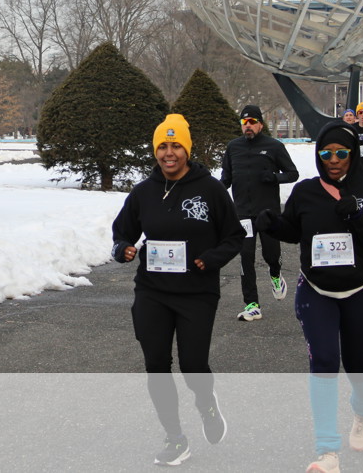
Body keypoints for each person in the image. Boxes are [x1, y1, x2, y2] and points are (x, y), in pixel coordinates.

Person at [255, 121, 363, 473]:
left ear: (353, 155)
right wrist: (273, 223)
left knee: (357, 366)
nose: (333, 160)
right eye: (326, 153)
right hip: (316, 291)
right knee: (323, 362)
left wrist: (357, 215)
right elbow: (294, 230)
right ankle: (327, 452)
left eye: (341, 153)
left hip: (360, 291)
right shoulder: (306, 191)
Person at [112, 113, 245, 466]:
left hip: (196, 293)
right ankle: (175, 438)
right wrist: (123, 249)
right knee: (156, 364)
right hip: (152, 291)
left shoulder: (211, 189)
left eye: (176, 146)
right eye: (162, 146)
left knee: (193, 364)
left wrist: (212, 258)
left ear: (187, 149)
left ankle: (206, 402)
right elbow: (122, 231)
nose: (168, 153)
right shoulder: (144, 192)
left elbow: (234, 235)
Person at [220, 104, 300, 322]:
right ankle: (252, 304)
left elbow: (293, 173)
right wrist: (213, 192)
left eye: (252, 122)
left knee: (270, 254)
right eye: (244, 122)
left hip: (267, 212)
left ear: (260, 125)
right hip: (242, 212)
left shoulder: (273, 146)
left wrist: (274, 177)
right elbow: (226, 178)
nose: (248, 126)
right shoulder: (233, 147)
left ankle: (275, 273)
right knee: (246, 256)